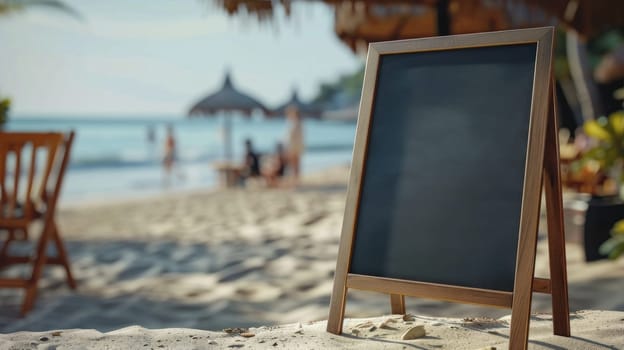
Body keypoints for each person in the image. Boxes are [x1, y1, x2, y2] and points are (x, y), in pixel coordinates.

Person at [285, 105, 304, 184]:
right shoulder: (299, 123)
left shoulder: (296, 123)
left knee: (294, 164)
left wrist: (287, 146)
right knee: (296, 164)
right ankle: (296, 179)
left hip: (293, 147)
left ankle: (295, 179)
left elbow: (291, 137)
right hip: (297, 147)